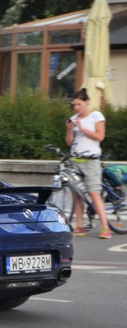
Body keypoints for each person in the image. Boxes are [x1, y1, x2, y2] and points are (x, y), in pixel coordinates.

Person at [65, 88, 112, 239]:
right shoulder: (74, 118)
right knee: (78, 194)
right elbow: (69, 142)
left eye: (79, 104)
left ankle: (105, 227)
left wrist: (83, 128)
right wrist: (70, 129)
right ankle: (79, 226)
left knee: (94, 193)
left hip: (91, 160)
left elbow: (100, 136)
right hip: (76, 159)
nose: (76, 108)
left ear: (86, 102)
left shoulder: (96, 116)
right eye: (74, 105)